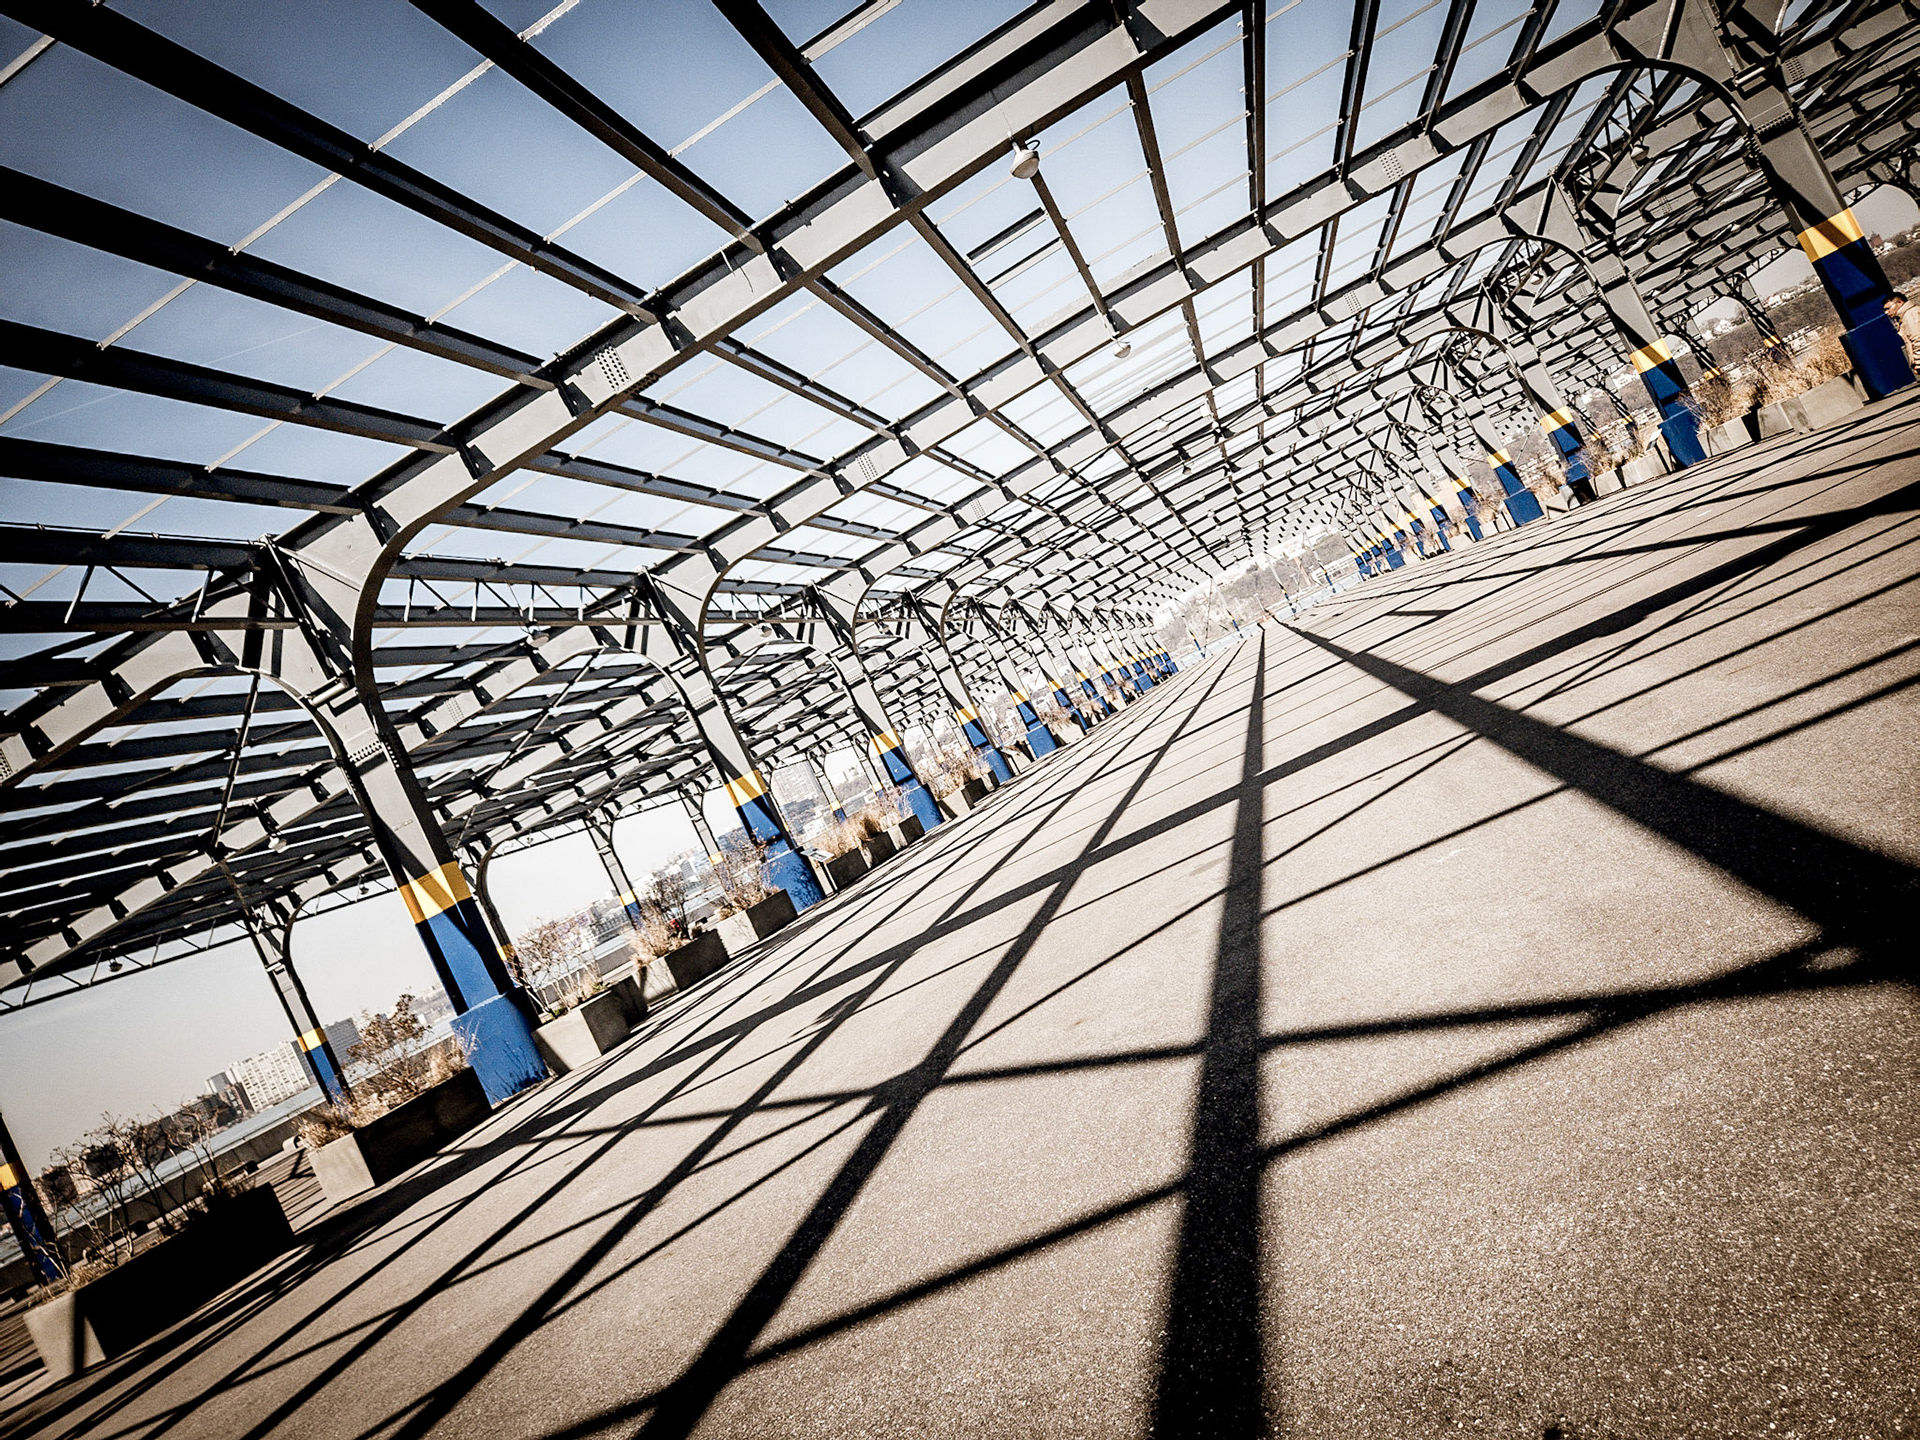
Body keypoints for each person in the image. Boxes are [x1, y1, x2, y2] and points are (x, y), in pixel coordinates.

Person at [1885, 291, 1920, 370]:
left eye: (1888, 308)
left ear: (1900, 302)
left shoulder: (1910, 316)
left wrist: (1918, 364)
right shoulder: (1905, 316)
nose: (1886, 312)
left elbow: (1918, 340)